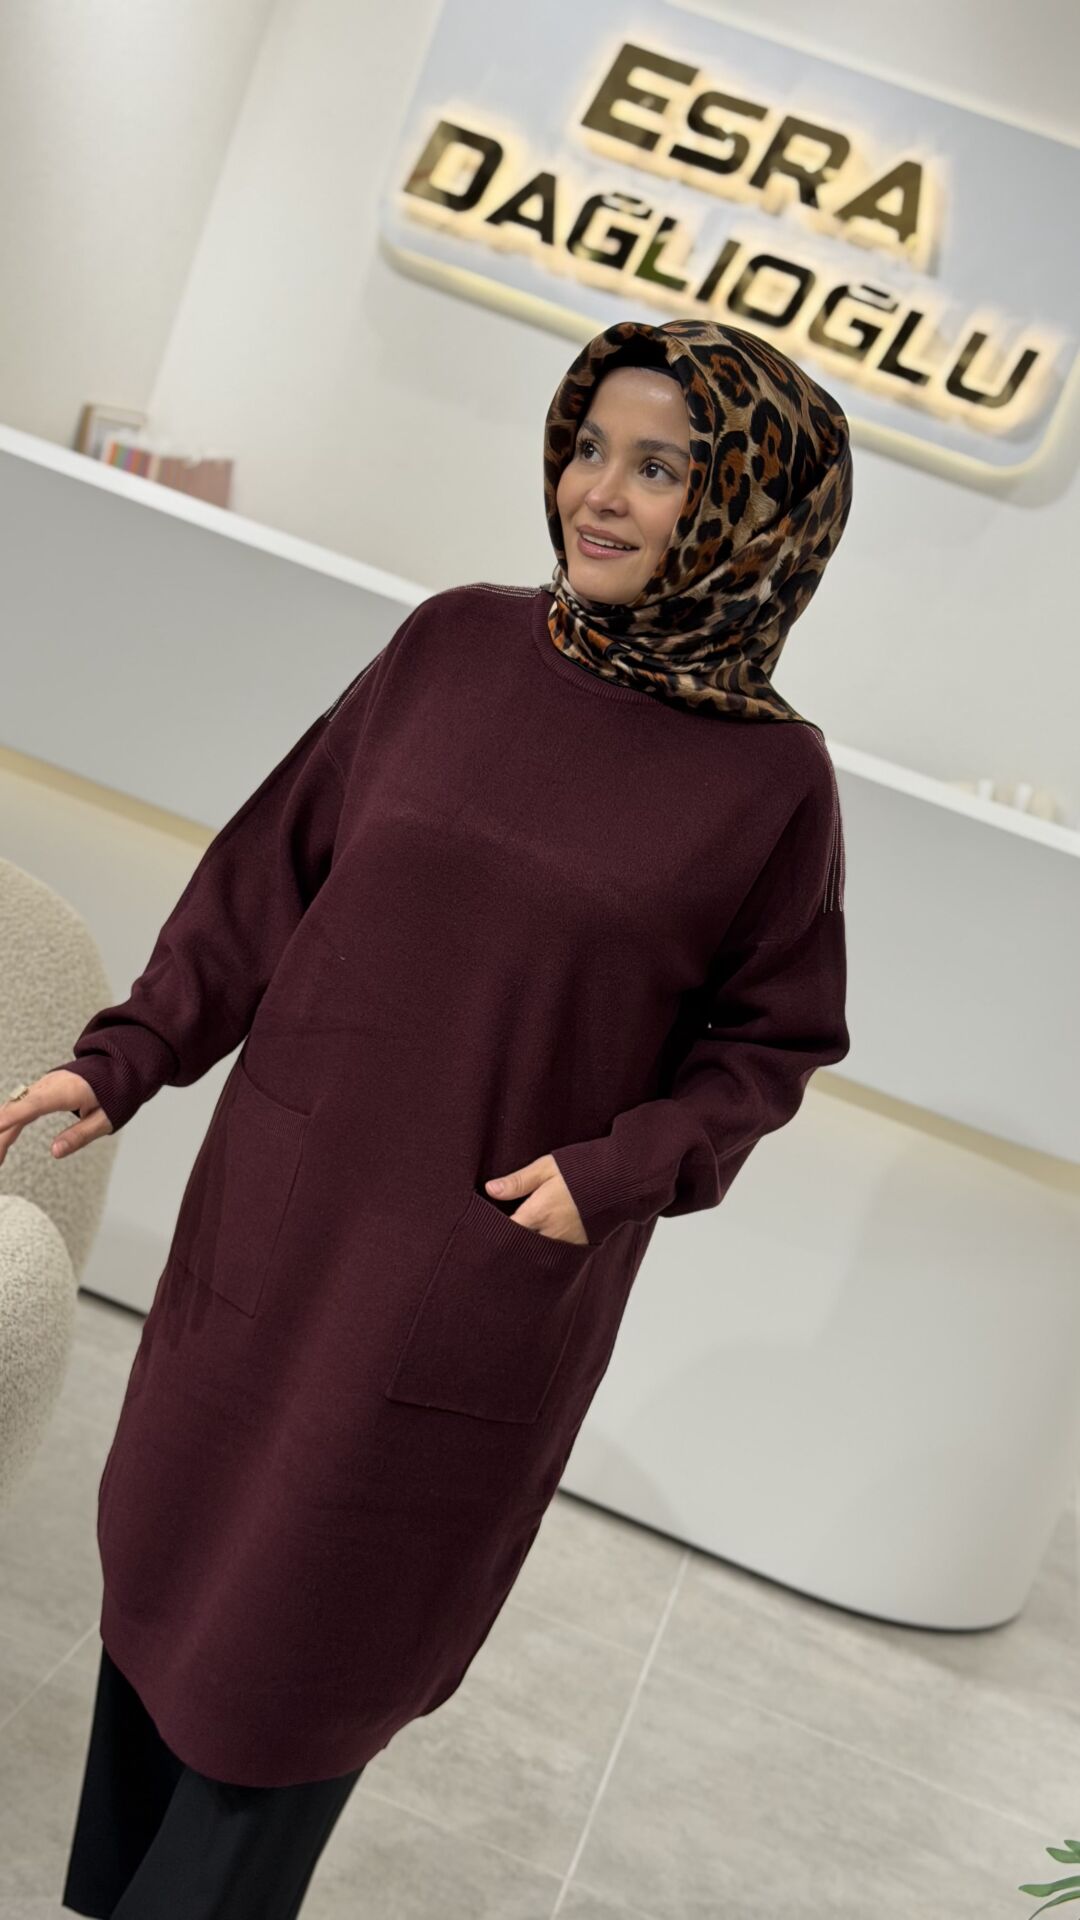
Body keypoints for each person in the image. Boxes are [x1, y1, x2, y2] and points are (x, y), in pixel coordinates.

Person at [0, 317, 854, 1918]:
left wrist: (613, 1173)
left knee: (304, 1661)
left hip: (468, 1275)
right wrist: (127, 1054)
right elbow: (268, 878)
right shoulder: (453, 645)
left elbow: (773, 1044)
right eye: (589, 447)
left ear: (753, 509)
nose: (599, 493)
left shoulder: (772, 786)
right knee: (172, 1582)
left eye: (661, 468)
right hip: (279, 1211)